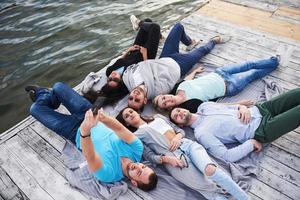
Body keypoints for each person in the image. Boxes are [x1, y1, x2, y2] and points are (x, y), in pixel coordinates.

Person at [25, 83, 158, 191]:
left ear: (134, 182)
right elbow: (120, 128)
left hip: (75, 131)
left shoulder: (109, 175)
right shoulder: (137, 150)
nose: (139, 167)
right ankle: (52, 98)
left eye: (139, 173)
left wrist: (85, 130)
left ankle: (44, 95)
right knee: (58, 87)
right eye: (144, 167)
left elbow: (90, 156)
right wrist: (102, 118)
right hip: (90, 115)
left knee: (35, 110)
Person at [116, 107, 249, 200]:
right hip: (172, 159)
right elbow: (150, 157)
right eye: (126, 116)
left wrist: (177, 137)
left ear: (137, 111)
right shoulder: (136, 136)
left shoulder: (158, 117)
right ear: (126, 123)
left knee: (210, 169)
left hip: (187, 145)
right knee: (207, 188)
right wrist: (167, 159)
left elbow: (180, 130)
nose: (130, 115)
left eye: (131, 111)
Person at [169, 88, 300, 162]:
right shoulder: (201, 133)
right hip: (261, 129)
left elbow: (231, 107)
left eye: (178, 110)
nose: (179, 113)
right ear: (180, 126)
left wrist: (242, 107)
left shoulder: (205, 106)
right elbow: (226, 156)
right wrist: (250, 144)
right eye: (176, 117)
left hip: (262, 109)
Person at [123, 22, 225, 111]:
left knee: (178, 27)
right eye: (137, 100)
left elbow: (131, 68)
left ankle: (189, 42)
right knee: (202, 51)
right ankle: (214, 41)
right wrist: (149, 68)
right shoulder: (157, 91)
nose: (134, 96)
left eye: (131, 98)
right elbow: (164, 76)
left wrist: (151, 71)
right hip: (180, 65)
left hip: (165, 56)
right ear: (145, 100)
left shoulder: (129, 81)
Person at [153, 56, 280, 113]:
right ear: (169, 108)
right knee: (253, 73)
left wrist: (195, 71)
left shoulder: (177, 88)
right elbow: (215, 107)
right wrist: (239, 104)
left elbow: (187, 79)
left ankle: (273, 61)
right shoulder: (190, 105)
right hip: (230, 86)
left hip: (220, 73)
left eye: (163, 98)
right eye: (165, 104)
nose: (167, 100)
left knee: (249, 64)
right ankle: (274, 65)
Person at [82, 16, 161, 103]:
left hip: (134, 50)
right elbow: (146, 70)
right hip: (146, 54)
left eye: (110, 79)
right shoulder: (128, 79)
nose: (113, 76)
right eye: (115, 79)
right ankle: (139, 24)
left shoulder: (109, 71)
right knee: (155, 27)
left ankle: (151, 32)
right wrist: (145, 54)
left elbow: (121, 60)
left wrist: (128, 50)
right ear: (120, 82)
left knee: (147, 21)